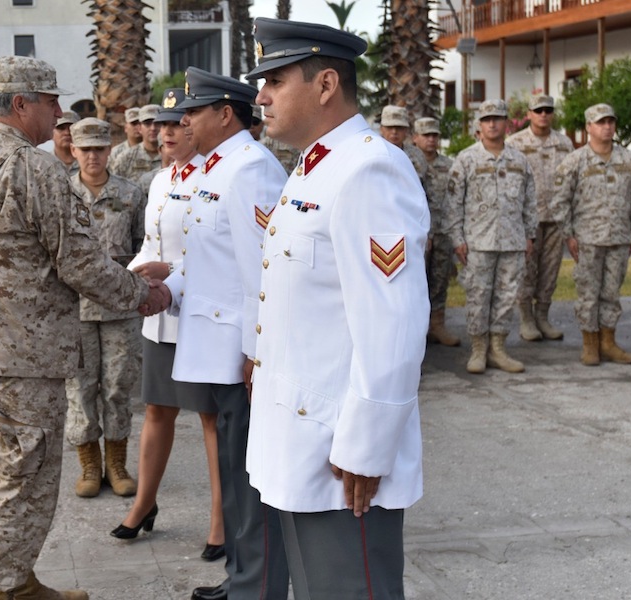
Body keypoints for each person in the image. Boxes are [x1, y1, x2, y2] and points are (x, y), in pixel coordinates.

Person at [0, 56, 168, 600]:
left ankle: (14, 579)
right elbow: (80, 263)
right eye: (51, 102)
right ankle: (3, 587)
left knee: (10, 470)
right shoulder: (34, 168)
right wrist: (144, 294)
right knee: (23, 477)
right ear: (21, 105)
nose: (59, 112)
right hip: (24, 353)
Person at [245, 18, 429, 600]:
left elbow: (393, 325)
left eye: (274, 80)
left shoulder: (369, 167)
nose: (261, 96)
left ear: (325, 84)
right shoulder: (313, 164)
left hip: (342, 457)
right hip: (299, 440)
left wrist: (367, 448)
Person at [165, 66, 290, 600]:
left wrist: (256, 352)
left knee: (248, 478)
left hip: (238, 350)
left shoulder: (250, 170)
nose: (183, 120)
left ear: (224, 114)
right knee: (233, 472)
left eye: (194, 110)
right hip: (214, 346)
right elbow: (208, 261)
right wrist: (167, 284)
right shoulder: (211, 170)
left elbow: (265, 270)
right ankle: (241, 575)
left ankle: (255, 585)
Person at [112, 87, 226, 564]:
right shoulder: (159, 181)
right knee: (157, 410)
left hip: (197, 315)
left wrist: (164, 283)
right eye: (161, 125)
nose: (166, 133)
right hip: (160, 317)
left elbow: (211, 254)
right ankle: (144, 503)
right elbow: (150, 245)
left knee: (209, 419)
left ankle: (221, 518)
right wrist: (128, 278)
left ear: (196, 127)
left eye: (177, 123)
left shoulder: (213, 178)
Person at [63, 116, 146, 499]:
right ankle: (89, 466)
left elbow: (142, 245)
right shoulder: (59, 192)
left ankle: (116, 462)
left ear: (109, 150)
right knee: (80, 388)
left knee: (116, 386)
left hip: (119, 309)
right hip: (73, 308)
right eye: (86, 149)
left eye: (99, 148)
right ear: (73, 150)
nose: (93, 156)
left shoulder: (130, 193)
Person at [444, 99, 537, 374]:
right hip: (478, 242)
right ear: (479, 125)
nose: (493, 124)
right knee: (478, 295)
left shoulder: (519, 160)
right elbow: (453, 204)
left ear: (506, 123)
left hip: (512, 241)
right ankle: (478, 349)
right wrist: (457, 238)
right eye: (487, 120)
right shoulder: (466, 159)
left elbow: (530, 201)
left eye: (497, 118)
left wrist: (530, 234)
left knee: (507, 296)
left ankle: (498, 348)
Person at [552, 103, 631, 366]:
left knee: (612, 292)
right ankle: (590, 343)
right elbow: (560, 201)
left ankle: (608, 342)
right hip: (587, 240)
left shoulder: (629, 160)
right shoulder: (575, 161)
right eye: (600, 122)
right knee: (588, 293)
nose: (607, 127)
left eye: (610, 122)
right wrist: (568, 235)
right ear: (588, 127)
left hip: (618, 238)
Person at [505, 94, 574, 342]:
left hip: (556, 217)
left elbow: (571, 179)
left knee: (550, 269)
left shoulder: (564, 143)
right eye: (538, 110)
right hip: (527, 218)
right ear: (529, 114)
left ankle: (543, 316)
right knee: (526, 269)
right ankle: (526, 318)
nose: (543, 114)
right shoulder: (515, 143)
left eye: (547, 110)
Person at [413, 116, 460, 347]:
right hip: (418, 234)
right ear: (415, 138)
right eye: (426, 135)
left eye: (434, 135)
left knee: (440, 279)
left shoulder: (450, 166)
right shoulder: (409, 163)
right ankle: (417, 329)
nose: (431, 140)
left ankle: (437, 324)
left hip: (443, 231)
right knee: (416, 281)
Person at [111, 104, 162, 182]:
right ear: (139, 128)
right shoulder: (125, 158)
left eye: (157, 123)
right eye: (147, 123)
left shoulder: (173, 157)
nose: (153, 128)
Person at [379, 104, 427, 181]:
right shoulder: (372, 153)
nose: (394, 132)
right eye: (389, 127)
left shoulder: (417, 155)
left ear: (406, 130)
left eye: (399, 128)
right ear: (381, 129)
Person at [51, 109, 80, 175]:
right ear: (51, 132)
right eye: (61, 128)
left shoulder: (89, 163)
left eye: (72, 128)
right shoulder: (44, 163)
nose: (67, 133)